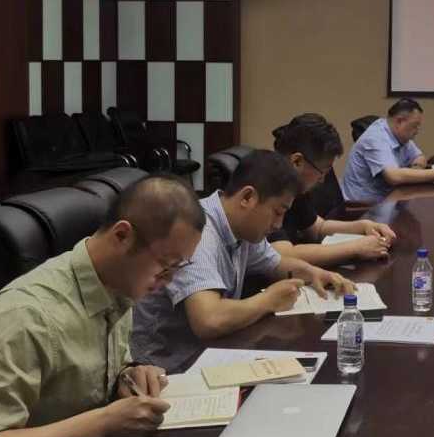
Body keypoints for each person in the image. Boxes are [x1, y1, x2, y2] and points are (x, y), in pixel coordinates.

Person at [0, 174, 205, 437]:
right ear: (122, 235)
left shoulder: (119, 286)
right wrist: (104, 422)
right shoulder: (24, 316)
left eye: (179, 268)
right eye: (166, 266)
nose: (168, 281)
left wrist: (128, 375)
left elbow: (90, 377)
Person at [130, 150, 355, 372]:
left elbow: (277, 264)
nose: (278, 224)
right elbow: (209, 319)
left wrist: (314, 273)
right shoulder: (198, 232)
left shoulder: (241, 228)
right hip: (164, 370)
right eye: (278, 212)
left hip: (210, 354)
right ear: (247, 197)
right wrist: (269, 300)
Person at [270, 113, 397, 266]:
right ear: (297, 161)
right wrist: (354, 248)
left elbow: (317, 229)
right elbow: (283, 255)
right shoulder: (268, 187)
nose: (323, 180)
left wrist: (364, 226)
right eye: (322, 171)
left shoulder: (294, 185)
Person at [340, 98, 434, 201]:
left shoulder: (400, 136)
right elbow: (394, 177)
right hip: (362, 207)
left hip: (388, 198)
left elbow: (419, 157)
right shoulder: (375, 138)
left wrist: (416, 169)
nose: (417, 130)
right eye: (415, 125)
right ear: (399, 121)